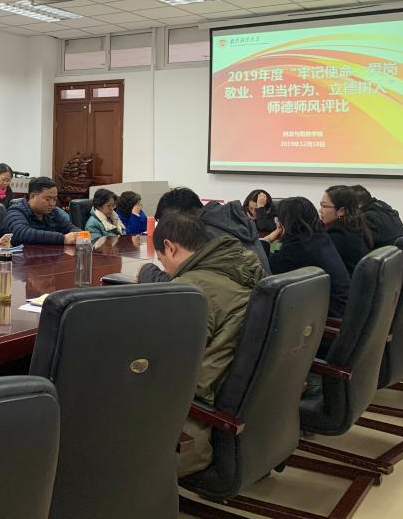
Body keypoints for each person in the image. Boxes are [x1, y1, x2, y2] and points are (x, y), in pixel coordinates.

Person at [149, 212, 262, 478]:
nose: (166, 270)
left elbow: (168, 367)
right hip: (247, 415)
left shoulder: (191, 290)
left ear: (170, 247)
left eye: (161, 260)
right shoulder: (242, 267)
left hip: (194, 425)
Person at [259, 197, 350, 319]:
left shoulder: (297, 248)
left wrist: (267, 240)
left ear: (285, 223)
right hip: (341, 311)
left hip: (328, 320)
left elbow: (266, 267)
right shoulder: (320, 238)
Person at [3, 177, 79, 245]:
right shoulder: (15, 211)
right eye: (47, 199)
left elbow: (71, 228)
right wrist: (63, 239)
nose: (52, 204)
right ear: (32, 196)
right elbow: (22, 233)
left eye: (55, 199)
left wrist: (77, 235)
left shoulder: (53, 212)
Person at [319, 185, 373, 276]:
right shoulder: (355, 228)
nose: (320, 210)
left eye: (324, 206)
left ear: (341, 211)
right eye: (321, 205)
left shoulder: (337, 236)